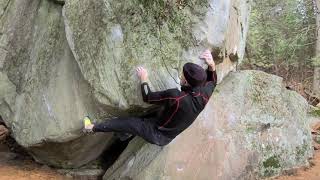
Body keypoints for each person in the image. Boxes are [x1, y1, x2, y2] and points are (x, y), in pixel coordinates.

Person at [83, 49, 217, 146]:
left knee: (128, 122)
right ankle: (124, 135)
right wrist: (211, 64)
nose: (180, 77)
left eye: (182, 76)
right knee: (143, 119)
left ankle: (91, 128)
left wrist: (144, 79)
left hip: (157, 134)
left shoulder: (176, 97)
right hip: (170, 129)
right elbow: (213, 81)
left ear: (186, 82)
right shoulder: (205, 94)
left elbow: (147, 97)